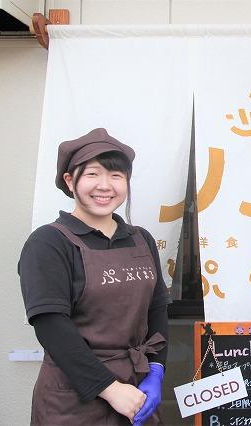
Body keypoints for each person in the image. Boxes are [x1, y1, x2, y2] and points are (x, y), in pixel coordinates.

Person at [19, 128, 172, 425]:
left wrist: (156, 370)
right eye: (92, 174)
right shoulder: (49, 242)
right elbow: (51, 325)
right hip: (73, 397)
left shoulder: (141, 239)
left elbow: (157, 309)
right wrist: (111, 390)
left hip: (136, 390)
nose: (105, 185)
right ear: (70, 180)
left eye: (116, 175)